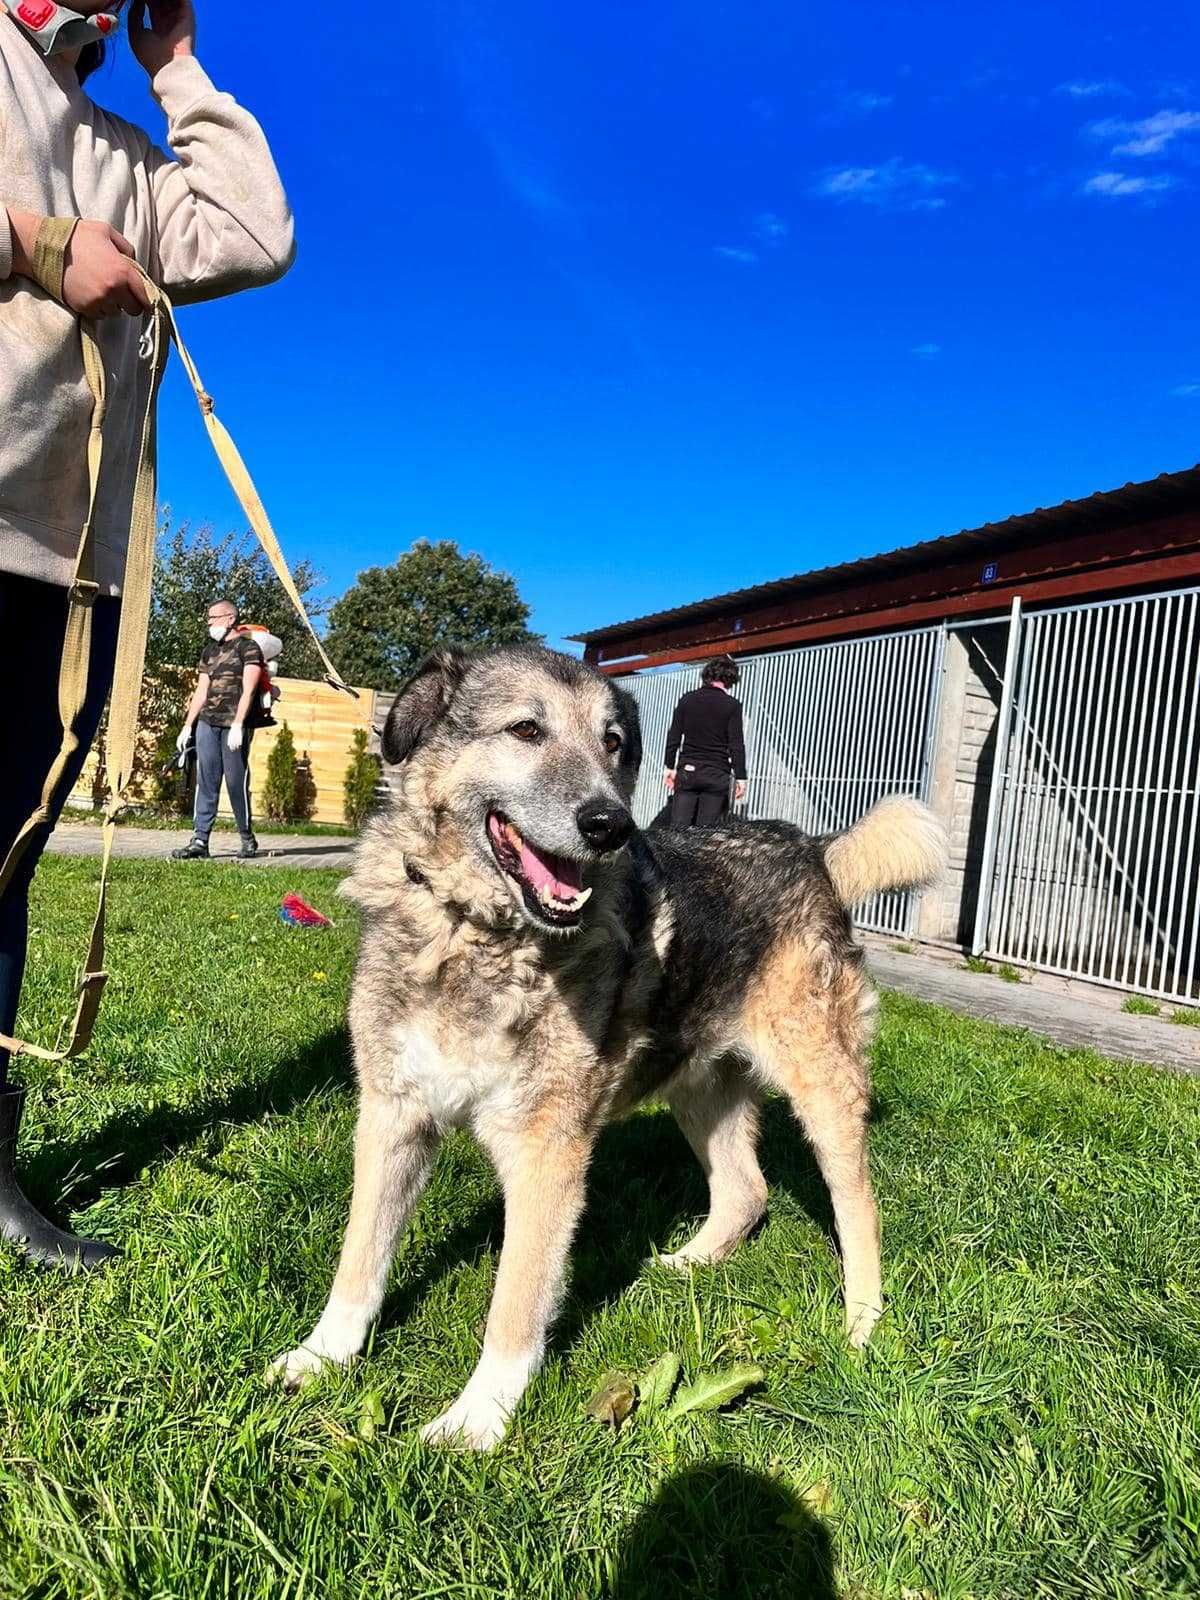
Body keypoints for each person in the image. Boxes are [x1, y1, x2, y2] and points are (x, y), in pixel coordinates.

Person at [0, 0, 294, 1268]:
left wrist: (176, 61)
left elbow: (252, 234)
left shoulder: (128, 144)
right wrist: (35, 241)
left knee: (2, 862)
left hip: (61, 565)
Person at [171, 599, 265, 861]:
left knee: (236, 783)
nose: (209, 623)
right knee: (206, 781)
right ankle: (200, 840)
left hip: (234, 726)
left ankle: (247, 838)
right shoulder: (209, 652)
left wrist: (238, 724)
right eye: (209, 618)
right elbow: (201, 690)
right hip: (207, 724)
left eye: (214, 618)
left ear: (231, 618)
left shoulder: (249, 649)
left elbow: (249, 689)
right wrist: (187, 726)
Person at [664, 656, 749, 827]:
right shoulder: (732, 706)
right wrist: (741, 777)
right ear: (730, 680)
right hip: (716, 775)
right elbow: (736, 745)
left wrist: (669, 767)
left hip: (688, 771)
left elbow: (673, 736)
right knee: (705, 833)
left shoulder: (687, 700)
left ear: (707, 676)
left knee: (678, 831)